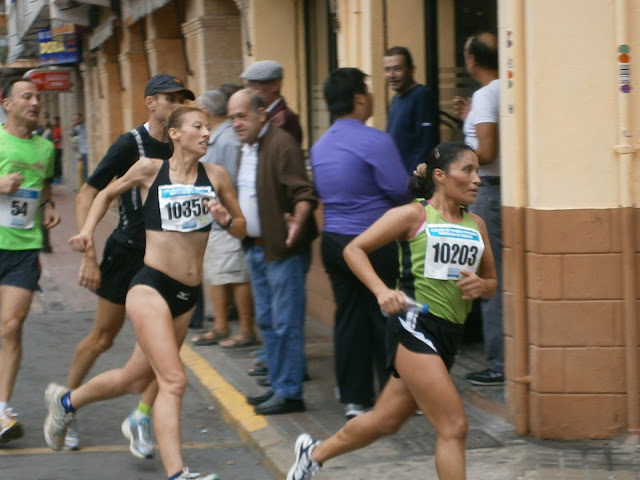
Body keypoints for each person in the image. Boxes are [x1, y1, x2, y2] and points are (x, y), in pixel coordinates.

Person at [44, 105, 247, 480]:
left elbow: (241, 229)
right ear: (174, 133)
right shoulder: (149, 169)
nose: (206, 133)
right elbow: (103, 195)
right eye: (198, 127)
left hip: (187, 295)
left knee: (135, 379)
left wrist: (226, 220)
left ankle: (66, 400)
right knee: (173, 380)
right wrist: (88, 231)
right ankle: (177, 473)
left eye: (208, 127)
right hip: (150, 285)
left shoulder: (216, 176)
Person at [286, 142, 497, 480]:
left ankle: (313, 453)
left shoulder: (478, 225)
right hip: (415, 325)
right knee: (454, 425)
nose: (477, 180)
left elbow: (491, 282)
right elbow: (355, 249)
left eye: (478, 172)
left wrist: (481, 287)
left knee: (386, 420)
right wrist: (381, 290)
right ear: (440, 176)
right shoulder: (413, 215)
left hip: (449, 335)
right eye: (467, 170)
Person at [62, 74, 195, 454]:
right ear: (151, 103)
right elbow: (89, 193)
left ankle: (140, 416)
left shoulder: (184, 144)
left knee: (163, 346)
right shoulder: (130, 145)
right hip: (127, 254)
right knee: (103, 337)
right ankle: (67, 405)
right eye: (170, 99)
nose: (177, 105)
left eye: (182, 99)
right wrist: (89, 253)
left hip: (164, 260)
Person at [311, 68, 412, 420]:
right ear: (358, 98)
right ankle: (394, 395)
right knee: (387, 315)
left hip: (336, 243)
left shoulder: (321, 146)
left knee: (350, 318)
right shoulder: (375, 141)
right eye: (366, 91)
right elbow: (400, 189)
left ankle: (355, 399)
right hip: (374, 242)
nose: (369, 96)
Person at [228, 89, 318, 415]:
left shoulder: (282, 145)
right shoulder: (246, 148)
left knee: (285, 324)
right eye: (232, 117)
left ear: (261, 115)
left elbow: (304, 192)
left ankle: (290, 392)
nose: (236, 123)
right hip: (255, 249)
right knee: (267, 322)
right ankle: (278, 386)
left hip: (283, 252)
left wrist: (299, 220)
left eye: (241, 116)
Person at [0, 78, 61, 443]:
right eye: (27, 96)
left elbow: (45, 185)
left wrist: (50, 204)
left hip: (24, 247)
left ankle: (2, 409)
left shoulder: (44, 146)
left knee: (10, 326)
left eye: (38, 97)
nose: (35, 102)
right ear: (6, 103)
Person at [191, 88, 258, 349]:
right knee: (219, 274)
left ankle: (244, 329)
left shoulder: (227, 140)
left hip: (227, 219)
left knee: (234, 274)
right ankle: (221, 326)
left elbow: (232, 183)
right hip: (215, 219)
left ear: (207, 112)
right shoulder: (218, 138)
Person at [456, 32, 503, 386]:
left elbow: (486, 152)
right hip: (502, 190)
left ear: (472, 60)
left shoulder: (486, 94)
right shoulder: (501, 90)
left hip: (489, 191)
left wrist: (460, 160)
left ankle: (499, 363)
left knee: (488, 278)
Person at [384, 46, 438, 175]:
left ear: (411, 70)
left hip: (415, 181)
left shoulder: (422, 96)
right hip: (397, 179)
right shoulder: (396, 99)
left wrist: (413, 182)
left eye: (397, 69)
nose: (391, 75)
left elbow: (426, 145)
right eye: (387, 69)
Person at [241, 60, 303, 145]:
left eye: (255, 86)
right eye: (248, 86)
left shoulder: (284, 118)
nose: (249, 91)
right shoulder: (267, 114)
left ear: (275, 86)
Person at [70, 112, 89, 183]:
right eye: (74, 120)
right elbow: (73, 140)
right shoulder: (77, 128)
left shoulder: (87, 126)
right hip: (82, 152)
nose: (76, 121)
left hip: (88, 151)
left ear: (82, 118)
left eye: (77, 119)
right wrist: (72, 128)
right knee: (82, 171)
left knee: (87, 170)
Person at [51, 115, 63, 183]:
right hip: (54, 147)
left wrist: (55, 141)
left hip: (58, 147)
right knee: (55, 162)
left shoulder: (59, 128)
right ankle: (56, 177)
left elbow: (60, 137)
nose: (54, 122)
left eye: (55, 121)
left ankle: (59, 177)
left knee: (57, 162)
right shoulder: (55, 128)